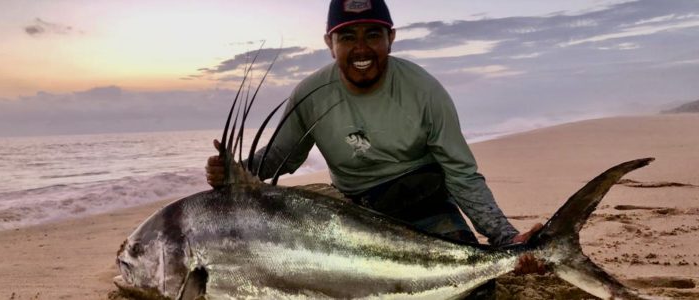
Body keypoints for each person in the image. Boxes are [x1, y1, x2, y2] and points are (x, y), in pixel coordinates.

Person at [207, 0, 544, 298]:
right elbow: (283, 157)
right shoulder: (311, 94)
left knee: (475, 288)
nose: (361, 48)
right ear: (330, 43)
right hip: (351, 216)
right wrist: (236, 170)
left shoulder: (424, 91)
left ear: (390, 38)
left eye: (373, 34)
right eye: (348, 37)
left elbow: (462, 175)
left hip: (423, 204)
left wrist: (505, 237)